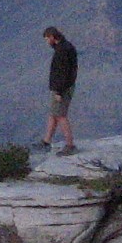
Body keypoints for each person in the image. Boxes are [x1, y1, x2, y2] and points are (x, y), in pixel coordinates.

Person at [41, 26, 78, 154]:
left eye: (47, 39)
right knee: (53, 114)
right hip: (63, 87)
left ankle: (70, 145)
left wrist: (58, 92)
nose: (47, 42)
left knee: (61, 116)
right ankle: (46, 141)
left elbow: (63, 73)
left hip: (62, 89)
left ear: (52, 37)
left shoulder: (62, 50)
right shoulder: (64, 47)